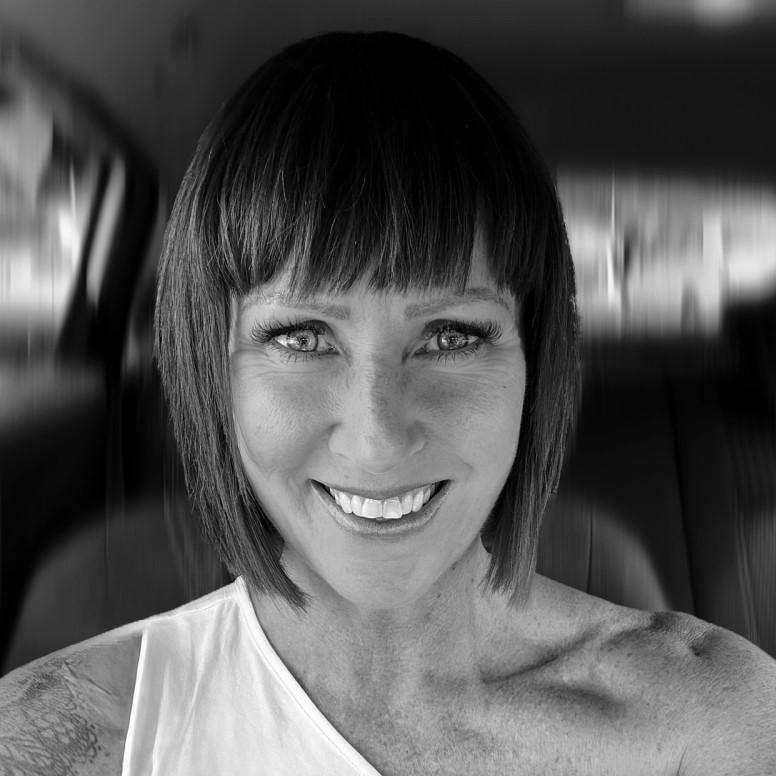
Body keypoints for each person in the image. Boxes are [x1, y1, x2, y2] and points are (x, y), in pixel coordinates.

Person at [2, 30, 775, 776]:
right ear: (212, 370)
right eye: (302, 337)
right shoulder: (56, 742)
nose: (376, 440)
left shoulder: (710, 723)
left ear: (537, 362)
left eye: (451, 337)